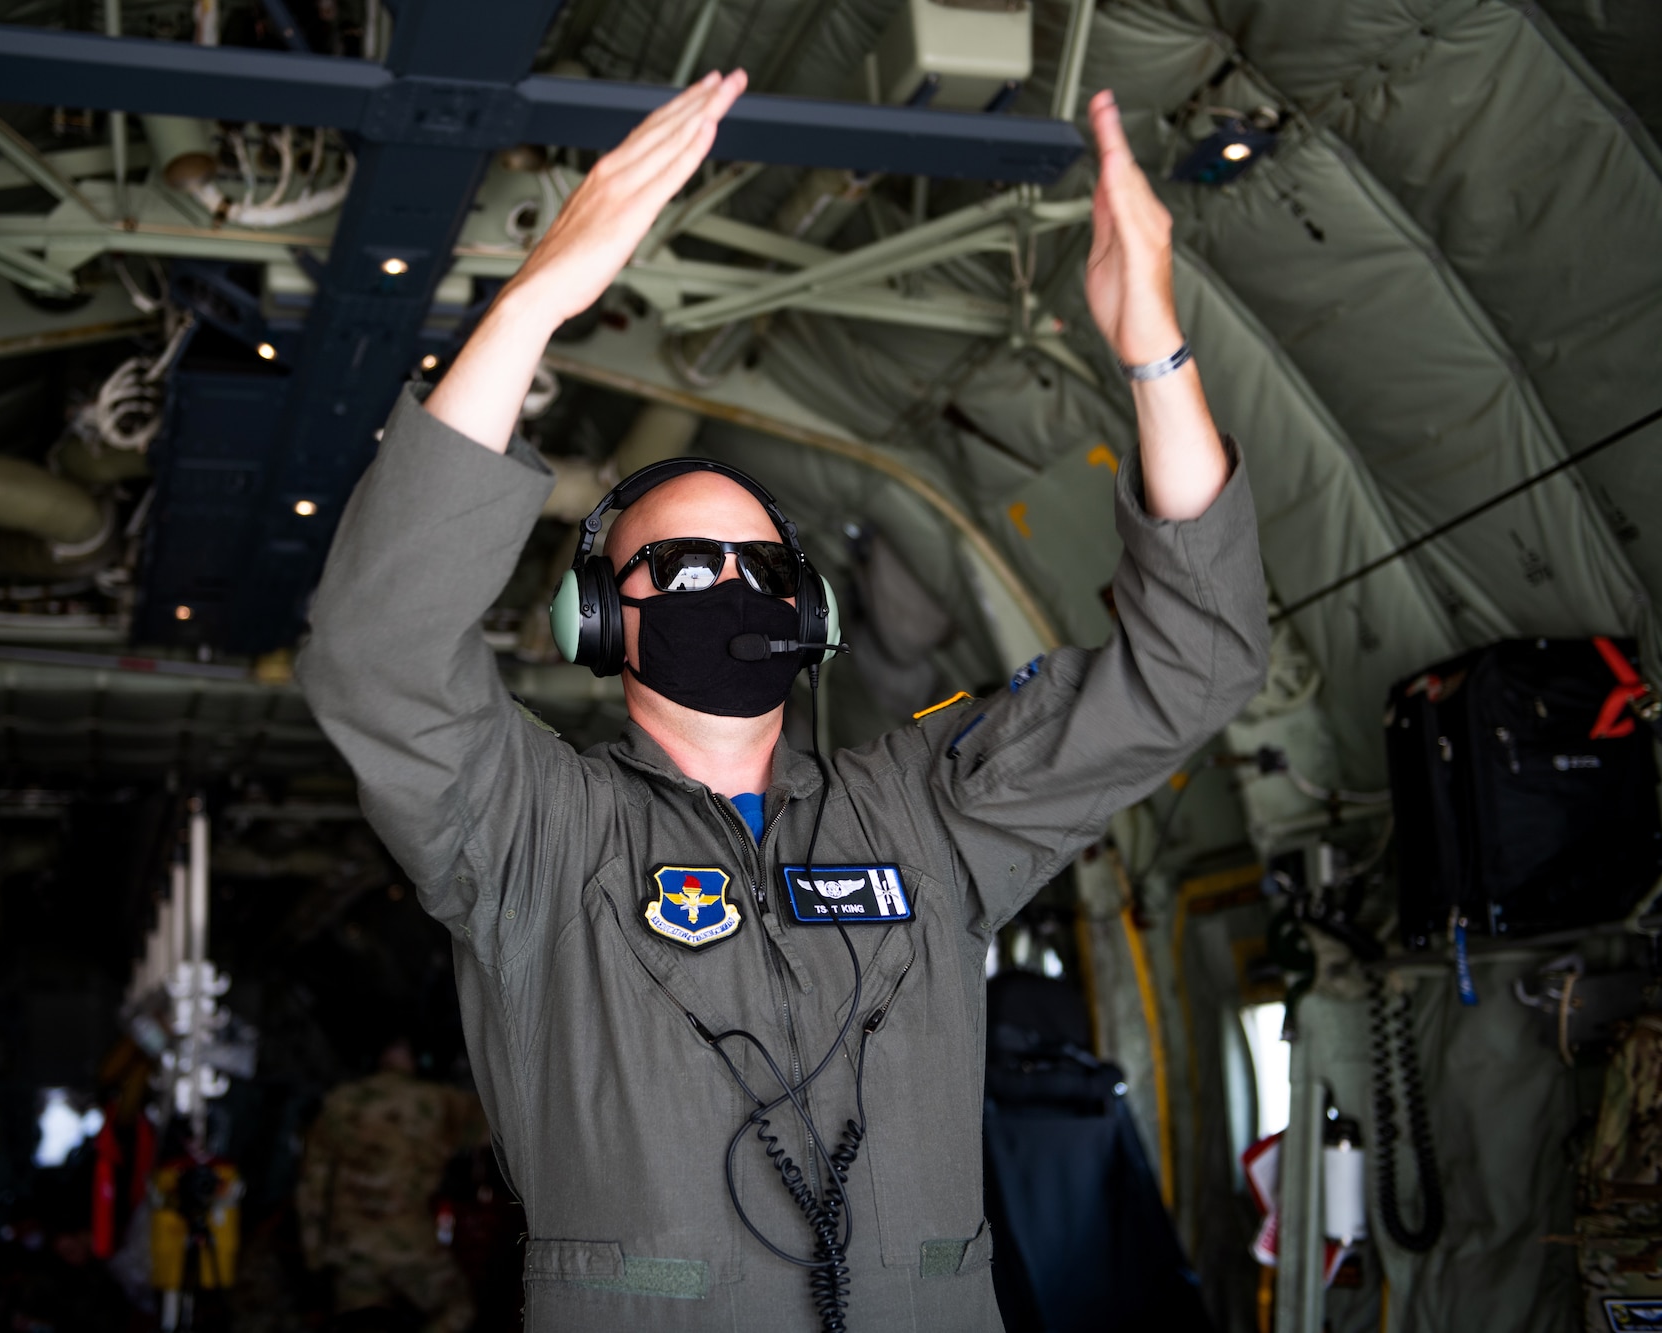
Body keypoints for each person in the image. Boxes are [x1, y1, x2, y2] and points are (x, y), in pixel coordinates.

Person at [299, 70, 1268, 1331]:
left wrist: (1152, 346)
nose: (725, 587)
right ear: (598, 618)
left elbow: (1189, 663)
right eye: (680, 568)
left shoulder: (928, 811)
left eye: (757, 568)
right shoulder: (531, 830)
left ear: (804, 614)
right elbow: (375, 653)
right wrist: (534, 304)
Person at [296, 1038, 484, 1333]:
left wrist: (316, 1255)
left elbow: (312, 1186)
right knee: (457, 1309)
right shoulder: (437, 1101)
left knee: (358, 1325)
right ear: (415, 1059)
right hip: (409, 1243)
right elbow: (501, 1125)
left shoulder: (339, 1103)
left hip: (351, 1248)